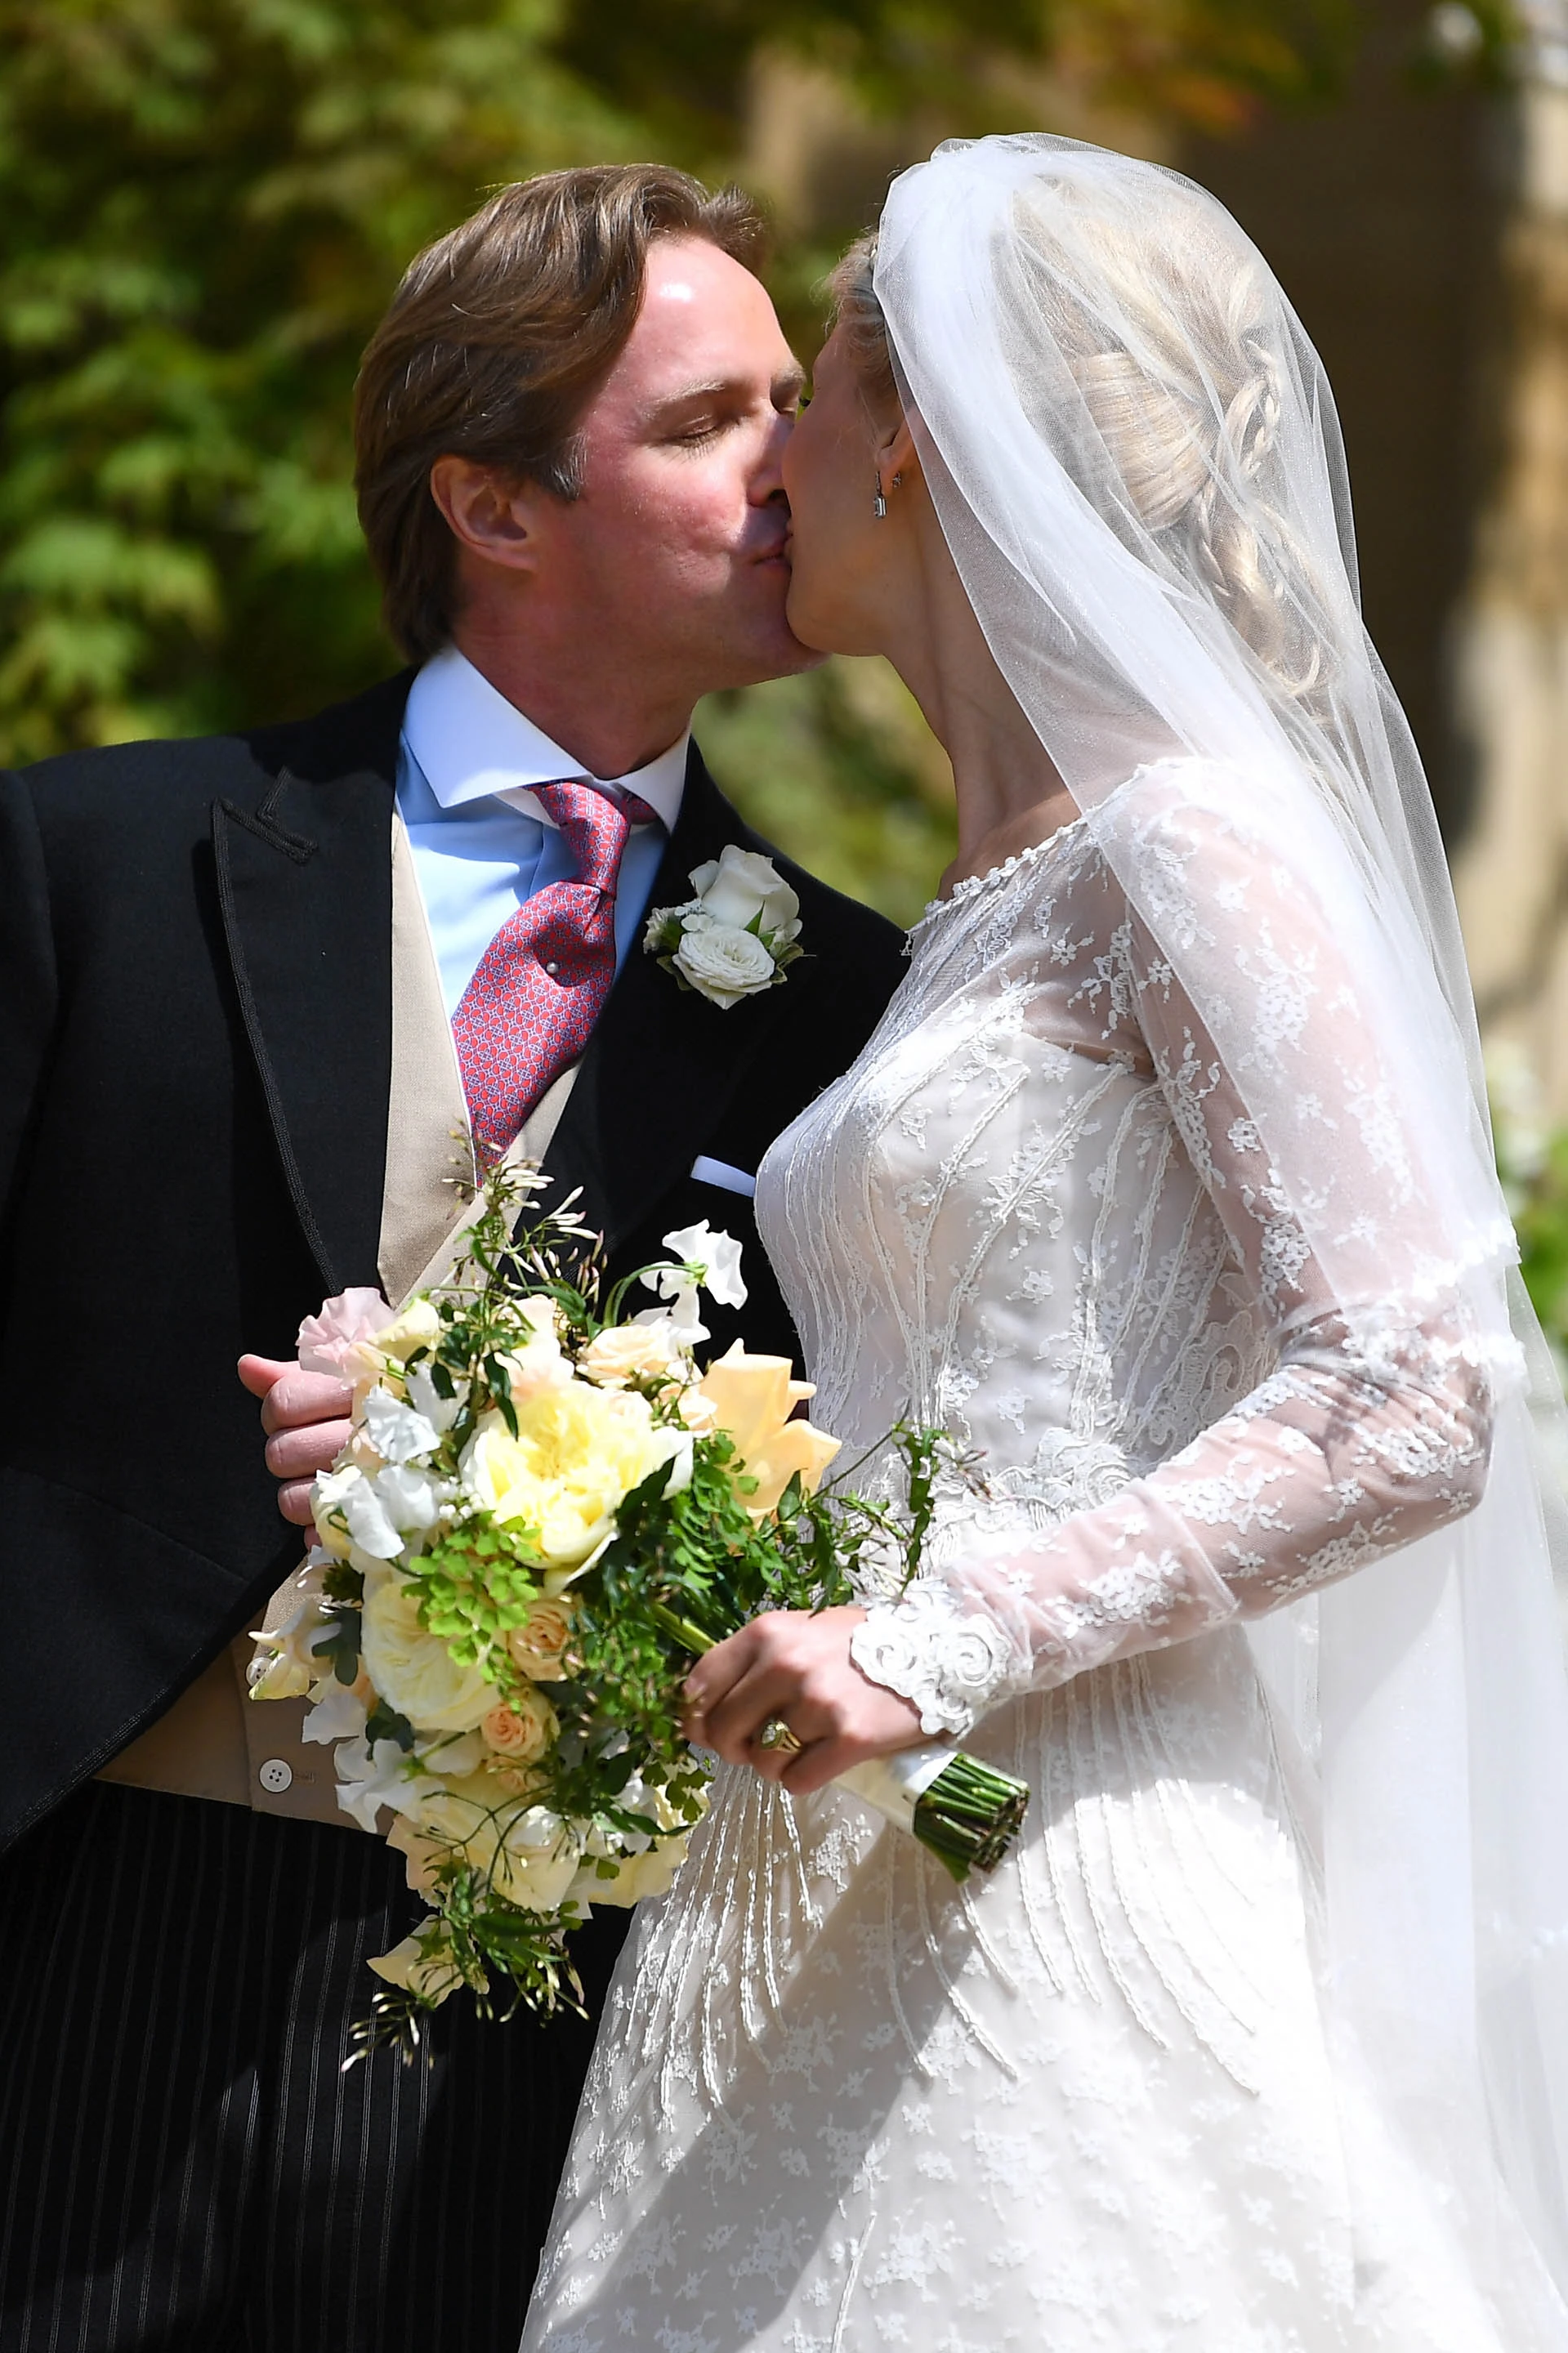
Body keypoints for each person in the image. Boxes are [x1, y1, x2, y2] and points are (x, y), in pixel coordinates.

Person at [520, 136, 1568, 2350]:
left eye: (803, 394)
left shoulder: (1192, 845)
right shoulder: (980, 910)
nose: (774, 455)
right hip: (829, 1860)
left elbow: (1415, 1395)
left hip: (1065, 1857)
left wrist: (941, 1641)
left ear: (922, 438)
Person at [0, 165, 907, 2353]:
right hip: (74, 1924)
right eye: (704, 421)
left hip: (554, 2000)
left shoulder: (868, 1012)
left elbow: (853, 1502)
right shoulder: (90, 857)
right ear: (496, 504)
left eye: (794, 401)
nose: (787, 461)